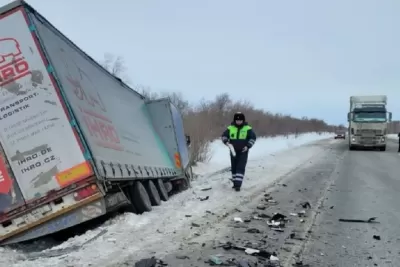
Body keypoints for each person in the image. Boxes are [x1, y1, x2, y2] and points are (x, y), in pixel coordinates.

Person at [221, 112, 256, 191]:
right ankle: (235, 183)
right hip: (233, 151)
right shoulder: (230, 128)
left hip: (243, 151)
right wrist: (226, 141)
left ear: (243, 120)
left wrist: (248, 146)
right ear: (235, 120)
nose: (238, 122)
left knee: (240, 167)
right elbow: (224, 136)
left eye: (240, 120)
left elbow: (253, 138)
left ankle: (238, 185)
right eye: (237, 120)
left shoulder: (248, 128)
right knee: (234, 167)